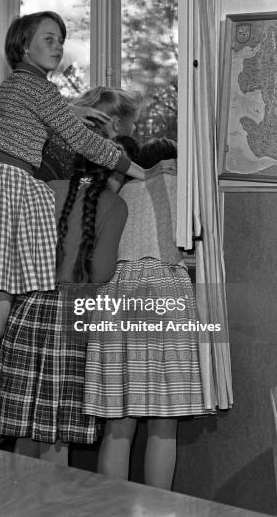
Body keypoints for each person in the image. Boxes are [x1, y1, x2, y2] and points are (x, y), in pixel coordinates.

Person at [0, 11, 150, 440]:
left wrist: (69, 115)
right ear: (24, 45)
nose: (58, 45)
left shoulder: (16, 88)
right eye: (48, 38)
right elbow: (82, 142)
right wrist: (139, 171)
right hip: (2, 191)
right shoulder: (34, 85)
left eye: (61, 39)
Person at [0, 137, 129, 460]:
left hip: (30, 305)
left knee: (25, 422)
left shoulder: (48, 188)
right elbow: (102, 272)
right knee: (58, 429)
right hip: (75, 316)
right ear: (113, 172)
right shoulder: (116, 206)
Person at [83, 137, 206, 489]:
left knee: (119, 421)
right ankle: (158, 509)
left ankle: (112, 509)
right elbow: (196, 241)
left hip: (116, 291)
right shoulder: (183, 190)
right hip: (165, 287)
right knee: (164, 422)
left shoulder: (122, 192)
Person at [35, 86, 140, 182]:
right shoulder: (95, 146)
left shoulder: (68, 128)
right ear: (117, 124)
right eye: (133, 122)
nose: (134, 128)